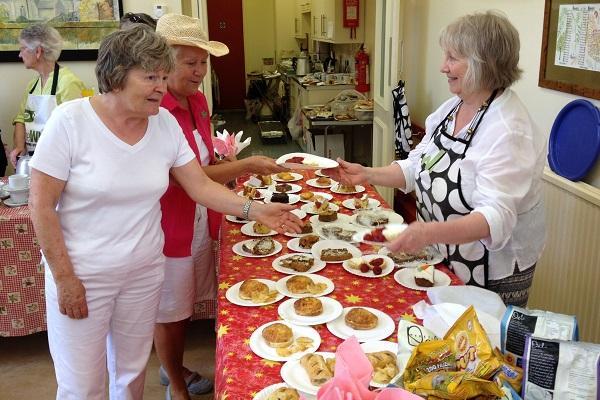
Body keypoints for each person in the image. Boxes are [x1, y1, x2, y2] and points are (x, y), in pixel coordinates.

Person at [28, 25, 301, 400]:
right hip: (85, 273)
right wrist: (65, 278)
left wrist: (255, 210)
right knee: (82, 386)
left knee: (130, 374)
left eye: (162, 75)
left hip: (143, 270)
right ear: (117, 76)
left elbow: (200, 186)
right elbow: (41, 206)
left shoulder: (164, 124)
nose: (160, 85)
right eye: (150, 76)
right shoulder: (70, 122)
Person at [326, 11, 545, 307]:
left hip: (491, 270)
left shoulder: (508, 129)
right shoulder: (453, 108)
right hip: (445, 253)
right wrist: (366, 174)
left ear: (483, 63)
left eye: (453, 57)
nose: (443, 67)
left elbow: (495, 219)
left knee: (480, 345)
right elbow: (418, 165)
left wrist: (426, 232)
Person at [153, 13, 287, 399]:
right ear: (163, 61)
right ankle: (176, 384)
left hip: (200, 215)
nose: (198, 72)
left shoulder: (196, 101)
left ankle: (172, 366)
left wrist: (235, 176)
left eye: (203, 62)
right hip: (169, 226)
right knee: (171, 313)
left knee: (188, 301)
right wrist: (246, 165)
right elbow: (187, 176)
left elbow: (206, 164)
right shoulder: (157, 109)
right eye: (189, 62)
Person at [10, 23, 85, 167]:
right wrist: (19, 146)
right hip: (35, 159)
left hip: (60, 162)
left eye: (23, 49)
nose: (20, 54)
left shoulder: (68, 83)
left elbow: (77, 129)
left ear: (38, 51)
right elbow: (21, 119)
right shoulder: (32, 86)